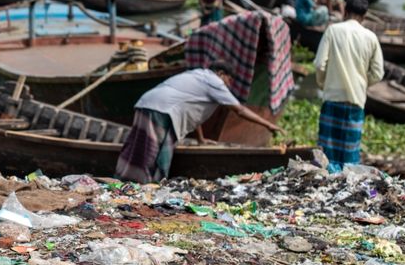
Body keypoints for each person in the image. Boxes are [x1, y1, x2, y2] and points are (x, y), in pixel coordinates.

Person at [115, 62, 285, 183]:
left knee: (139, 147)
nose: (228, 85)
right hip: (162, 110)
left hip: (147, 103)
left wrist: (201, 141)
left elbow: (194, 116)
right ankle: (149, 185)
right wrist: (269, 125)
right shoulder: (215, 82)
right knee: (155, 152)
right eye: (229, 80)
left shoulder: (197, 75)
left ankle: (128, 180)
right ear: (221, 74)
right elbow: (239, 109)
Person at [314, 0, 384, 172]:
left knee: (327, 153)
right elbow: (377, 73)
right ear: (365, 15)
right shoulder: (371, 37)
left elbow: (319, 64)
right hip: (355, 100)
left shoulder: (333, 30)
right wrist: (361, 84)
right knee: (350, 155)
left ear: (345, 11)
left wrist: (323, 84)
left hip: (332, 98)